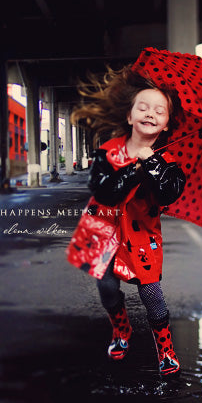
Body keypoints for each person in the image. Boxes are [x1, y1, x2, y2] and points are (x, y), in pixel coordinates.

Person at [67, 65, 186, 376]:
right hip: (104, 228)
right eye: (142, 107)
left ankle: (165, 347)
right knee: (106, 287)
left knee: (151, 294)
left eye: (160, 110)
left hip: (141, 235)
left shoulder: (169, 161)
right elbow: (103, 192)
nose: (150, 113)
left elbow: (168, 194)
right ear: (130, 116)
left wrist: (154, 167)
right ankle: (121, 331)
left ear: (167, 123)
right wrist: (132, 170)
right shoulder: (107, 153)